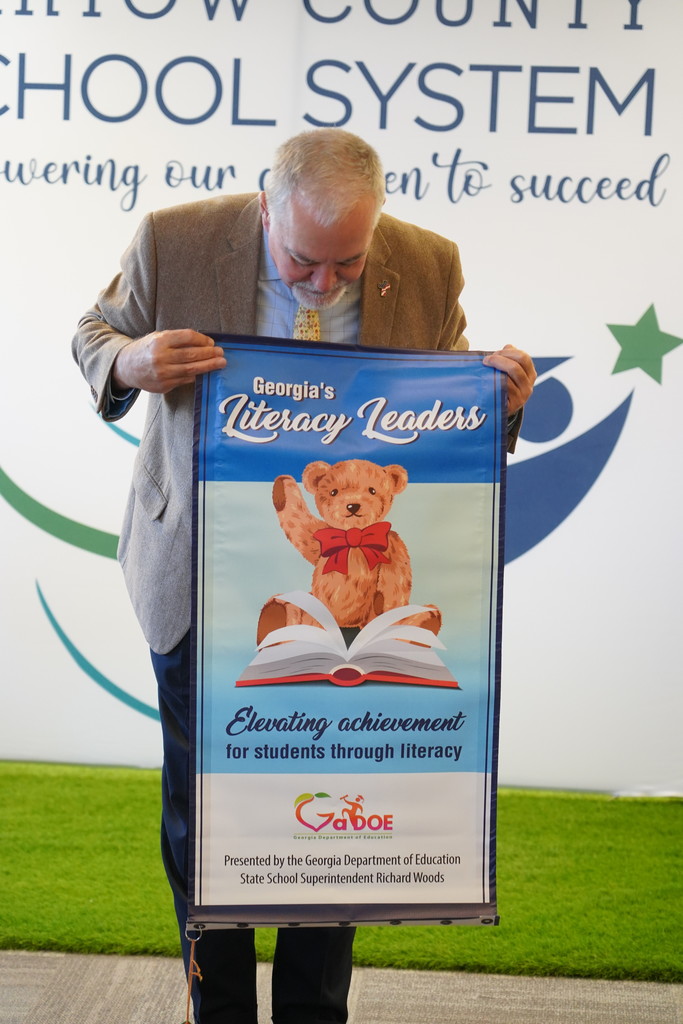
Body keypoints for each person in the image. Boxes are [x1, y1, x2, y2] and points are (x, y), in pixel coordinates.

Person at [72, 128, 536, 1024]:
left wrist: (497, 400)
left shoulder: (430, 265)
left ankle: (316, 1013)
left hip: (358, 604)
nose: (323, 284)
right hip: (199, 577)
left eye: (347, 266)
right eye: (302, 262)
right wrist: (126, 362)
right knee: (205, 817)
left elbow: (442, 406)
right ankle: (220, 1013)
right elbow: (94, 332)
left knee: (340, 811)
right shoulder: (173, 239)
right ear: (263, 209)